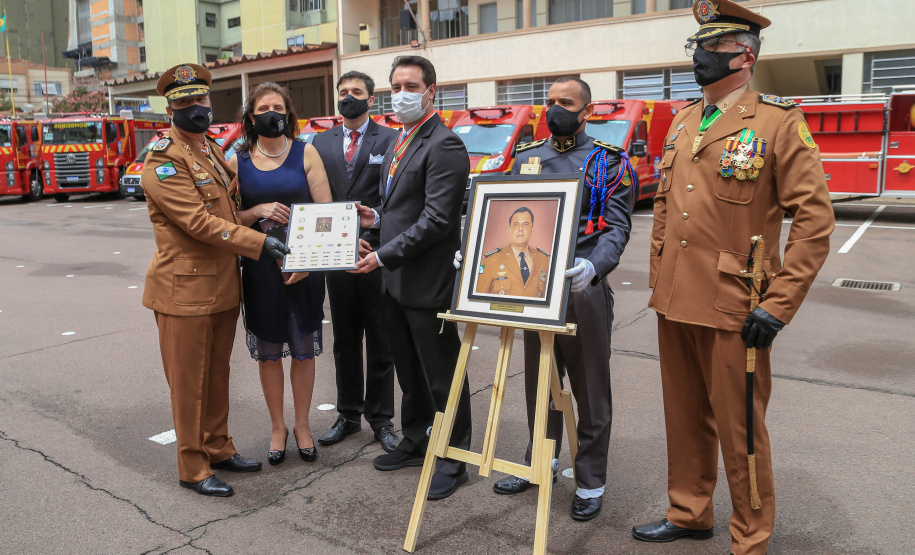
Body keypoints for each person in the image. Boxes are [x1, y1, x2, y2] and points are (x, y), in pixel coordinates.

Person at [630, 2, 835, 553]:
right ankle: (689, 511)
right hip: (675, 299)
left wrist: (779, 302)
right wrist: (659, 280)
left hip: (735, 302)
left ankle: (749, 536)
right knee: (684, 418)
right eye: (697, 46)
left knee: (740, 428)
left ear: (744, 56)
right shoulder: (684, 120)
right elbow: (667, 209)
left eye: (712, 47)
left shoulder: (777, 121)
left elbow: (814, 220)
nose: (699, 56)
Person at [476, 76, 633, 522]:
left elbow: (617, 228)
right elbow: (504, 214)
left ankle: (590, 481)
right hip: (534, 287)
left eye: (566, 101)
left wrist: (594, 266)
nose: (555, 109)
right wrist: (478, 250)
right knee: (541, 382)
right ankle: (539, 463)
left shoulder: (607, 161)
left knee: (589, 388)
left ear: (587, 111)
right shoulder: (528, 157)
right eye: (550, 101)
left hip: (581, 286)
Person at [141, 64, 290, 497]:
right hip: (183, 292)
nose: (197, 108)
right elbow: (198, 223)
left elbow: (227, 212)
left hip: (222, 286)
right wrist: (257, 242)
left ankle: (218, 447)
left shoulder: (208, 149)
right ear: (170, 109)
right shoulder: (164, 159)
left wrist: (256, 218)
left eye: (201, 99)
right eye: (186, 102)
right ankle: (192, 467)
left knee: (217, 375)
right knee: (189, 383)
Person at [353, 55, 472, 500]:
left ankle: (454, 457)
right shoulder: (401, 140)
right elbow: (402, 209)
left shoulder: (444, 144)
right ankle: (418, 439)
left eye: (411, 86)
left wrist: (383, 255)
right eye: (396, 86)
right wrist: (376, 218)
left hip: (426, 281)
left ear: (430, 92)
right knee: (409, 370)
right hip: (395, 280)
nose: (401, 94)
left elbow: (437, 219)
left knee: (441, 373)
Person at [228, 82, 333, 466]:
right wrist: (256, 211)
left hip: (304, 267)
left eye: (278, 107)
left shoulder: (307, 152)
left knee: (303, 348)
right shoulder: (236, 160)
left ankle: (302, 425)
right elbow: (227, 219)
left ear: (288, 114)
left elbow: (326, 214)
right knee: (269, 352)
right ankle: (278, 427)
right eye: (263, 108)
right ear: (250, 117)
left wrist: (308, 262)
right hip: (260, 269)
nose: (271, 114)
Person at [312, 71, 400, 452]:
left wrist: (373, 228)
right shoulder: (320, 142)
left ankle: (381, 419)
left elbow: (398, 197)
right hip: (337, 255)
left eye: (356, 91)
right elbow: (317, 198)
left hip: (376, 252)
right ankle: (348, 414)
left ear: (371, 99)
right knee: (345, 339)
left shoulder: (392, 139)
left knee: (380, 339)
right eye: (343, 91)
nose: (348, 97)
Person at [475, 206, 550, 298]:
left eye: (526, 224)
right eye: (516, 224)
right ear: (510, 229)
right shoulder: (492, 260)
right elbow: (478, 299)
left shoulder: (543, 259)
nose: (520, 228)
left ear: (532, 228)